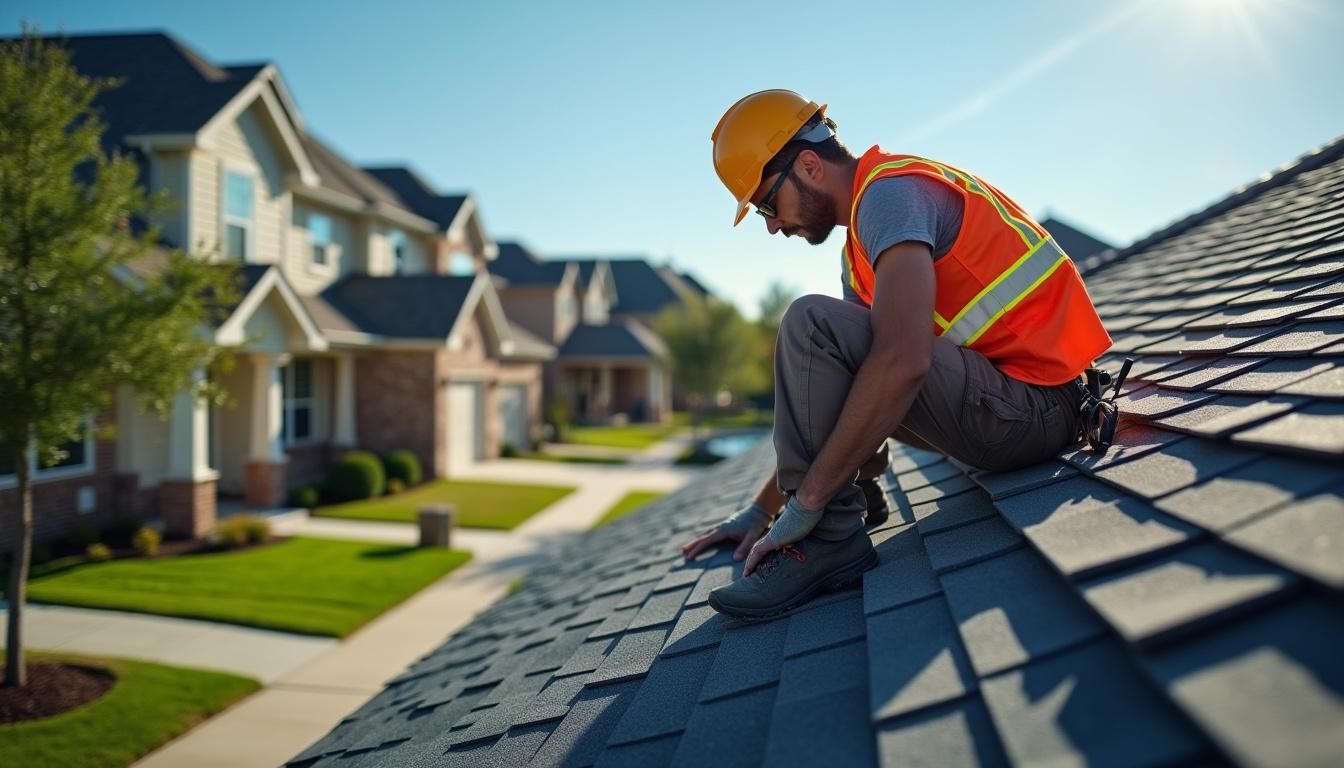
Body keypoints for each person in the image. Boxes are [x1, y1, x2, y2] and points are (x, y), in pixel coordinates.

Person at [684, 89, 1112, 620]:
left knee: (809, 321)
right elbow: (837, 385)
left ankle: (827, 539)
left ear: (810, 166)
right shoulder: (861, 249)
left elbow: (903, 360)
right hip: (1016, 407)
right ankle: (853, 496)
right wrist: (761, 508)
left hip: (1039, 409)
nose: (772, 225)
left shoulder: (891, 197)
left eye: (768, 204)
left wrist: (806, 506)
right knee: (830, 343)